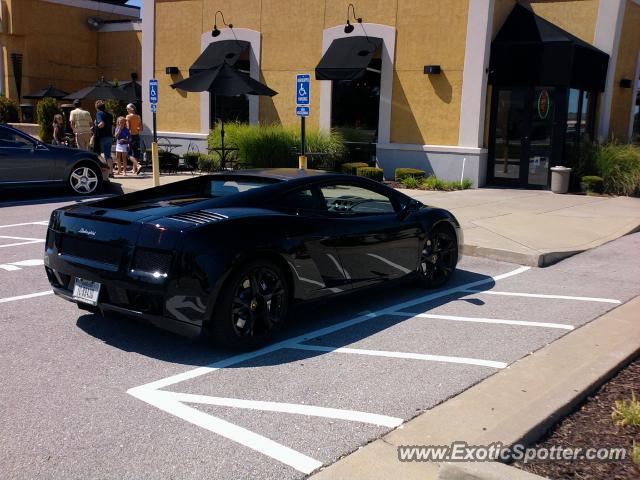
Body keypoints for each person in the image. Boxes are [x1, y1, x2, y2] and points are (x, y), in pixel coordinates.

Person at [94, 100, 114, 175]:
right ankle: (111, 172)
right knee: (108, 155)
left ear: (96, 107)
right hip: (109, 136)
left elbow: (101, 124)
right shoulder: (109, 115)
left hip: (101, 136)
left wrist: (95, 127)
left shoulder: (99, 113)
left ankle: (99, 170)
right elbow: (112, 126)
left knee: (97, 154)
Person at [125, 103, 142, 174]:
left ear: (130, 109)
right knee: (136, 153)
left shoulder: (128, 117)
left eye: (127, 109)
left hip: (131, 136)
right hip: (137, 136)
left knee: (129, 155)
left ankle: (138, 165)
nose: (126, 110)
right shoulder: (138, 116)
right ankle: (134, 169)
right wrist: (136, 130)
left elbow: (128, 128)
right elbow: (141, 128)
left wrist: (126, 137)